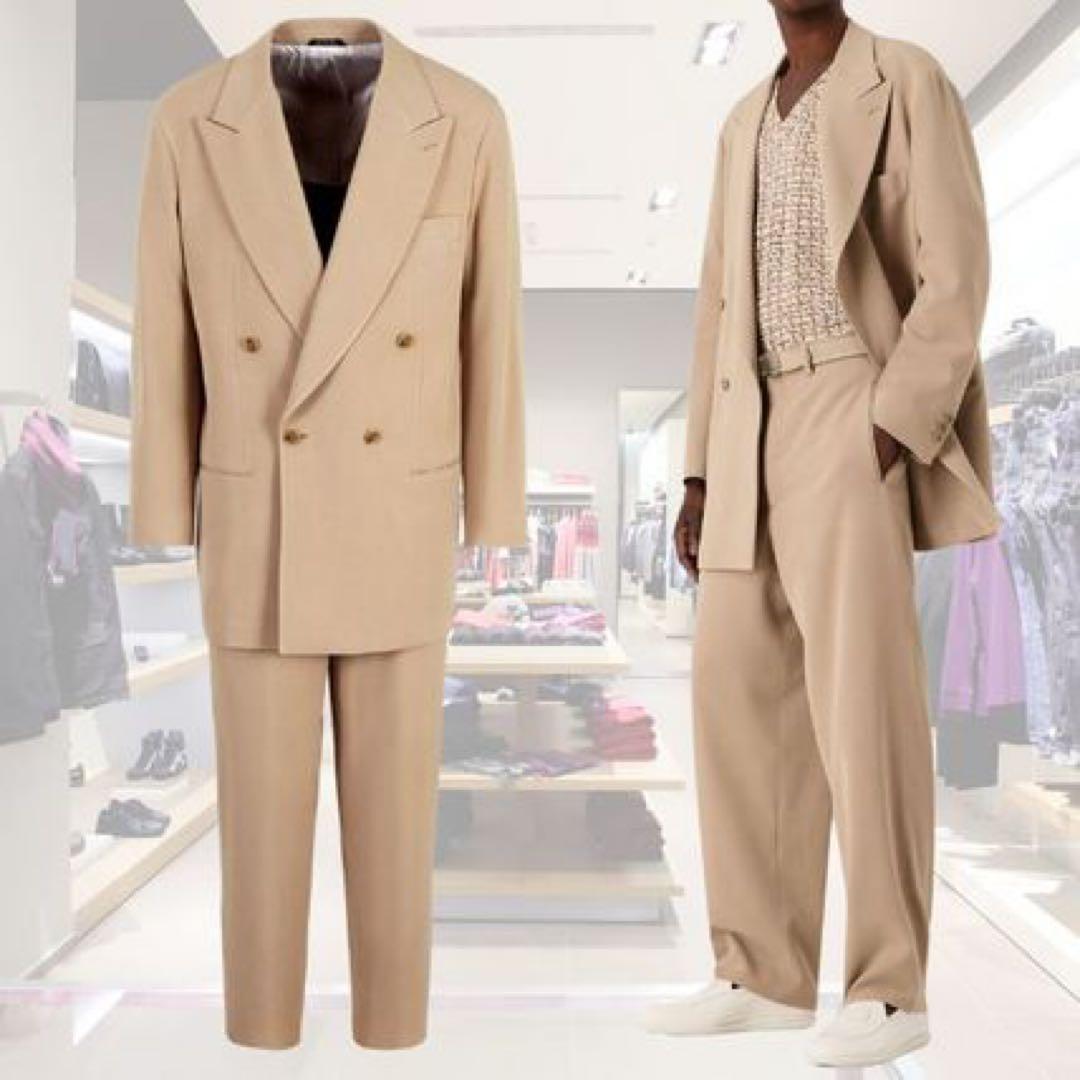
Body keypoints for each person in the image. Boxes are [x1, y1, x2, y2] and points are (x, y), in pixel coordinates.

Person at [646, 1, 998, 1068]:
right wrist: (698, 469)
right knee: (737, 697)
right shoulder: (741, 120)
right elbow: (717, 304)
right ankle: (760, 971)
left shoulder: (907, 78)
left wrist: (893, 423)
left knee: (864, 709)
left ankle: (890, 990)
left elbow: (957, 268)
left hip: (850, 399)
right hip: (744, 415)